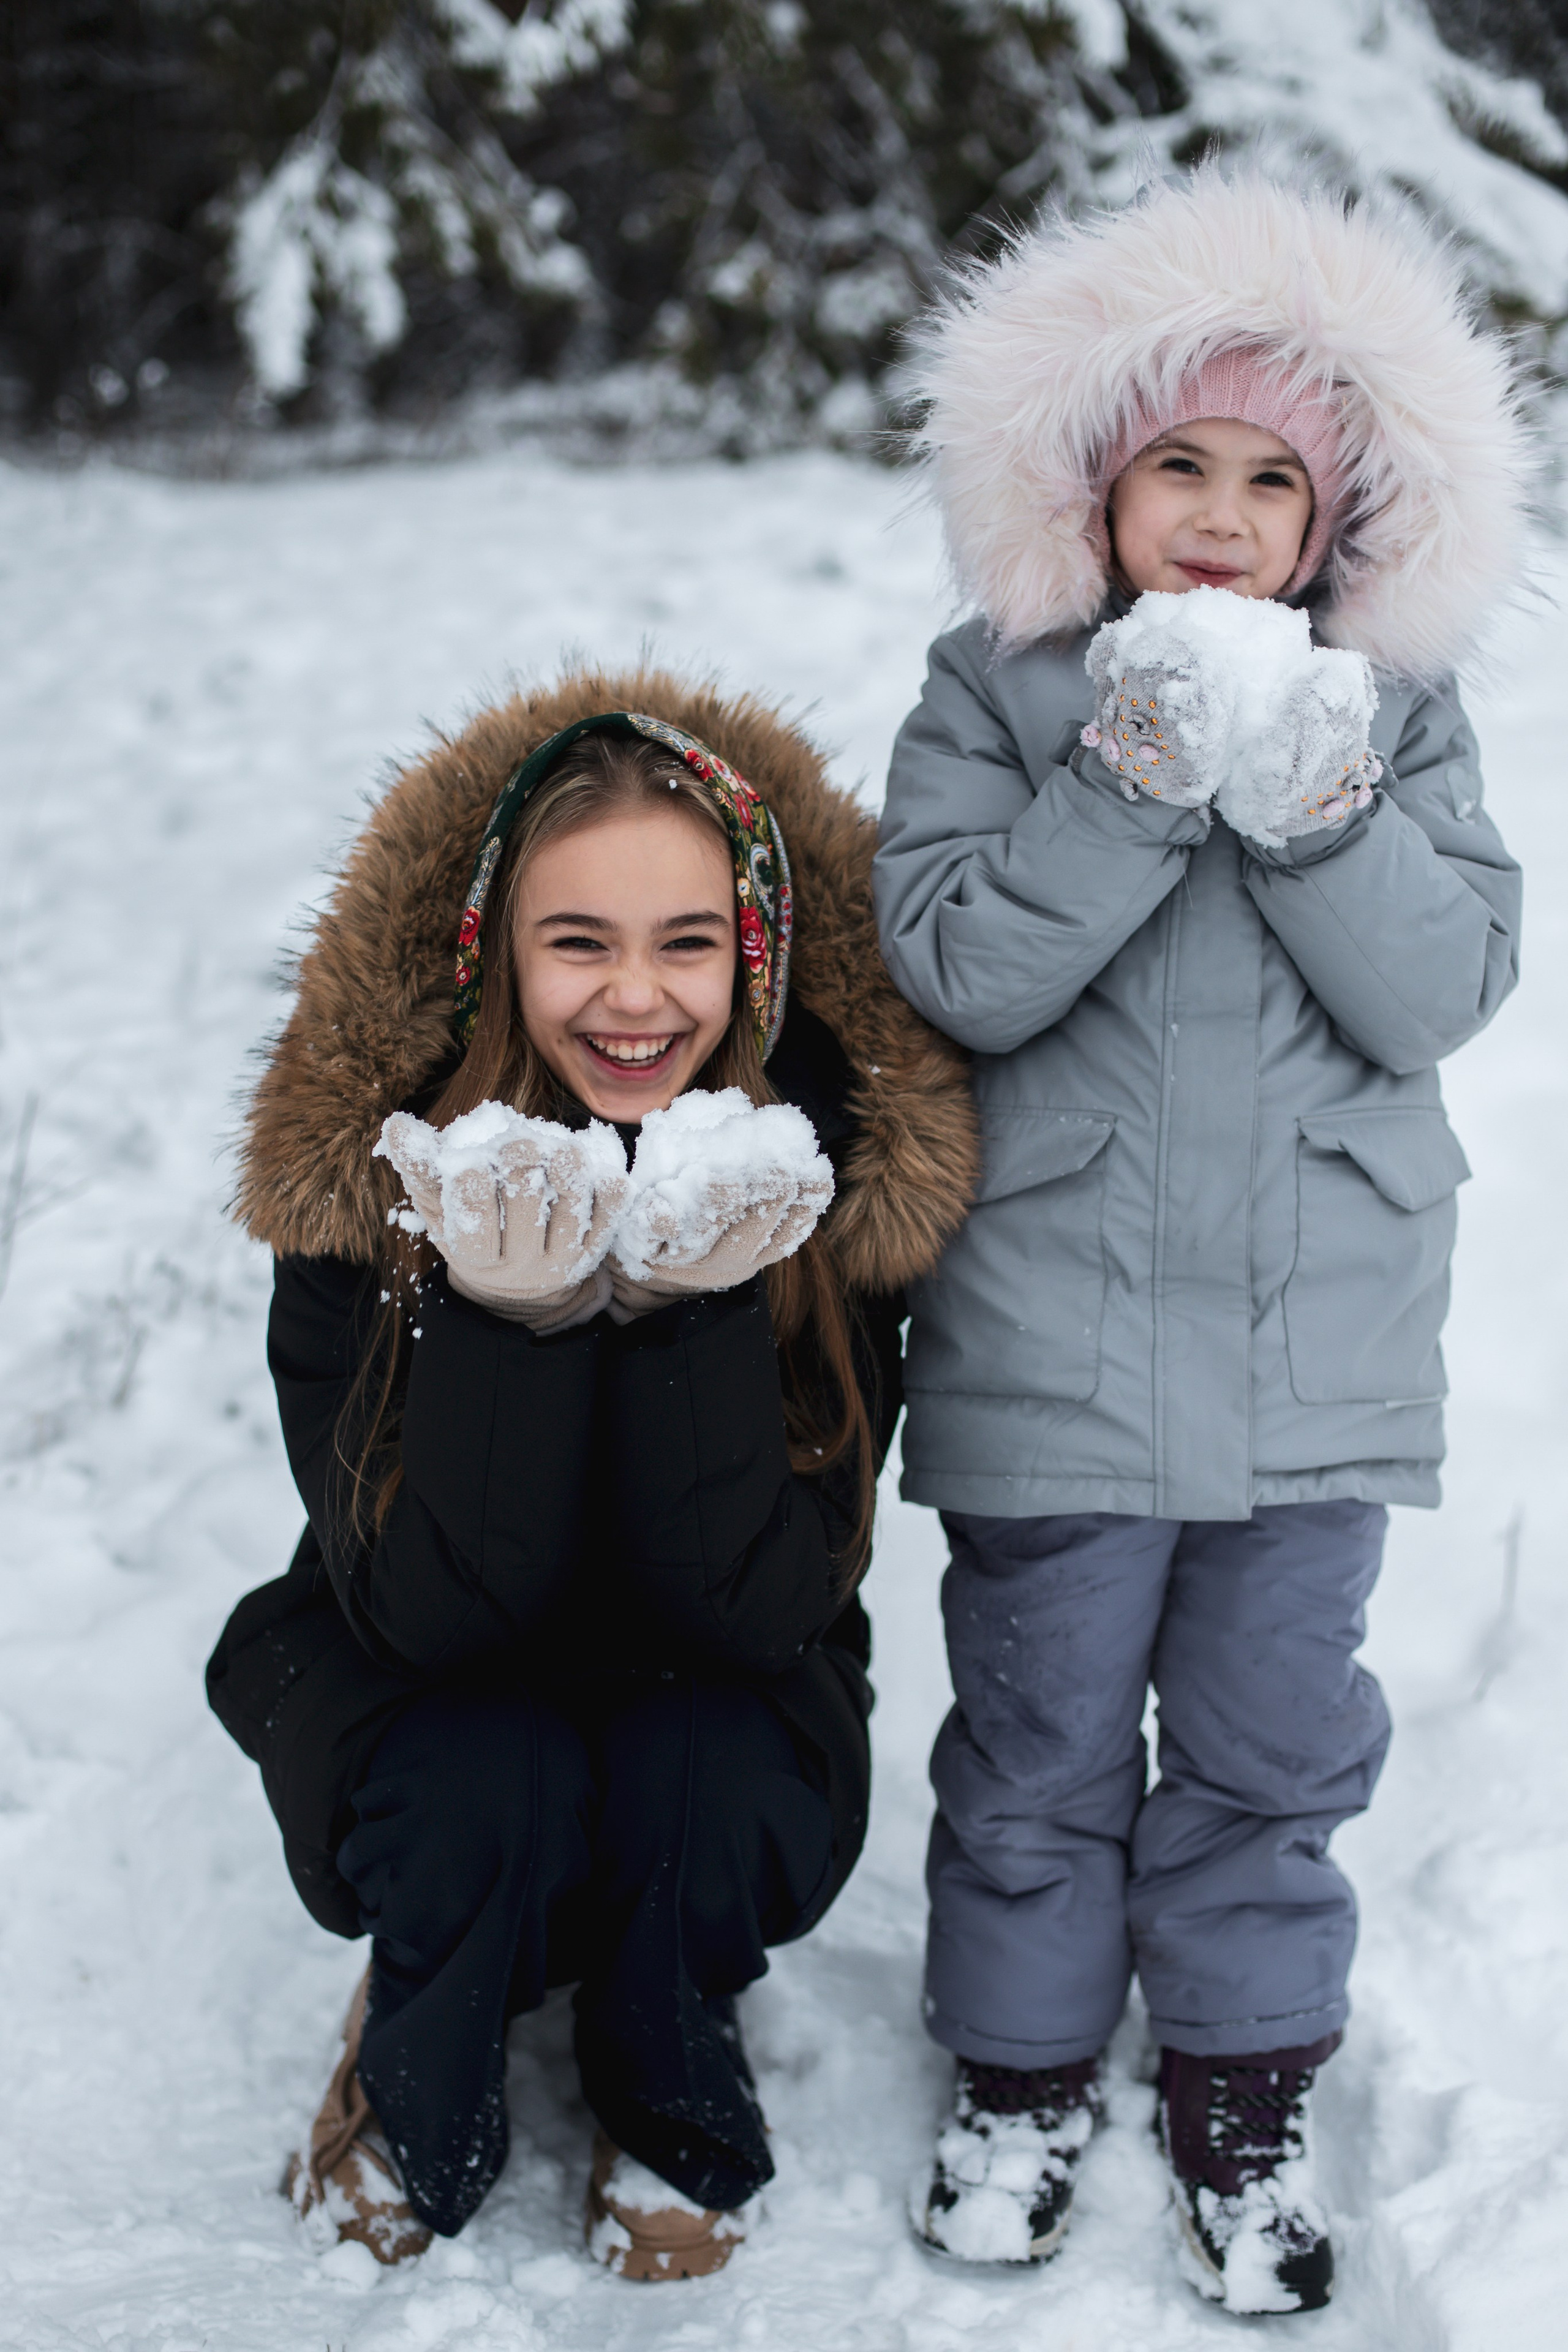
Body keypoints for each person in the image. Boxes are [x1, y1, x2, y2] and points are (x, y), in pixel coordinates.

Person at [872, 166, 1525, 2312]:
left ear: (1338, 521)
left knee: (1268, 1744)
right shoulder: (1004, 693)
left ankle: (1243, 2081)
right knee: (1041, 1741)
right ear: (1100, 481)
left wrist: (1319, 816)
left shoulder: (1393, 718)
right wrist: (1132, 786)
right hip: (1057, 1334)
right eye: (1182, 466)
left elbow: (1440, 989)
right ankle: (1025, 2067)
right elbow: (960, 966)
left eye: (1273, 479)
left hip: (1315, 1344)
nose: (1226, 515)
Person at [208, 682, 977, 2275]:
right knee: (498, 1775)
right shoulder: (384, 1180)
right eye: (581, 941)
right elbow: (427, 1619)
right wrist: (505, 1325)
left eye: (687, 941)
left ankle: (666, 2070)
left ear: (752, 957)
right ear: (500, 948)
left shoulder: (820, 1196)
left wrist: (697, 1316)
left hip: (711, 1672)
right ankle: (417, 2057)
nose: (637, 995)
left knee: (700, 1770)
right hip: (431, 1684)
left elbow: (762, 1611)